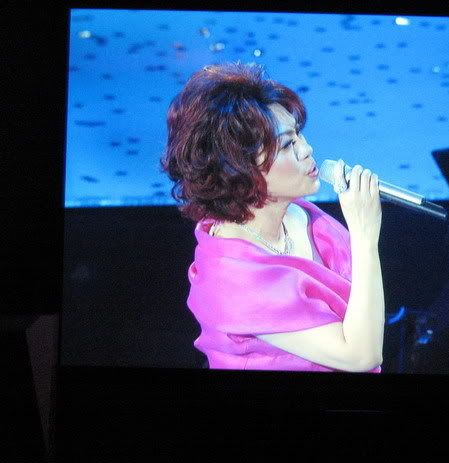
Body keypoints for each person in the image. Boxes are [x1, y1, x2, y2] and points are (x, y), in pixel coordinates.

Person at [160, 62, 384, 372]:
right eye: (289, 144)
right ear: (238, 166)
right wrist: (364, 234)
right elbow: (361, 356)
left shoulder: (303, 216)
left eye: (299, 135)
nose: (307, 150)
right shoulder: (232, 277)